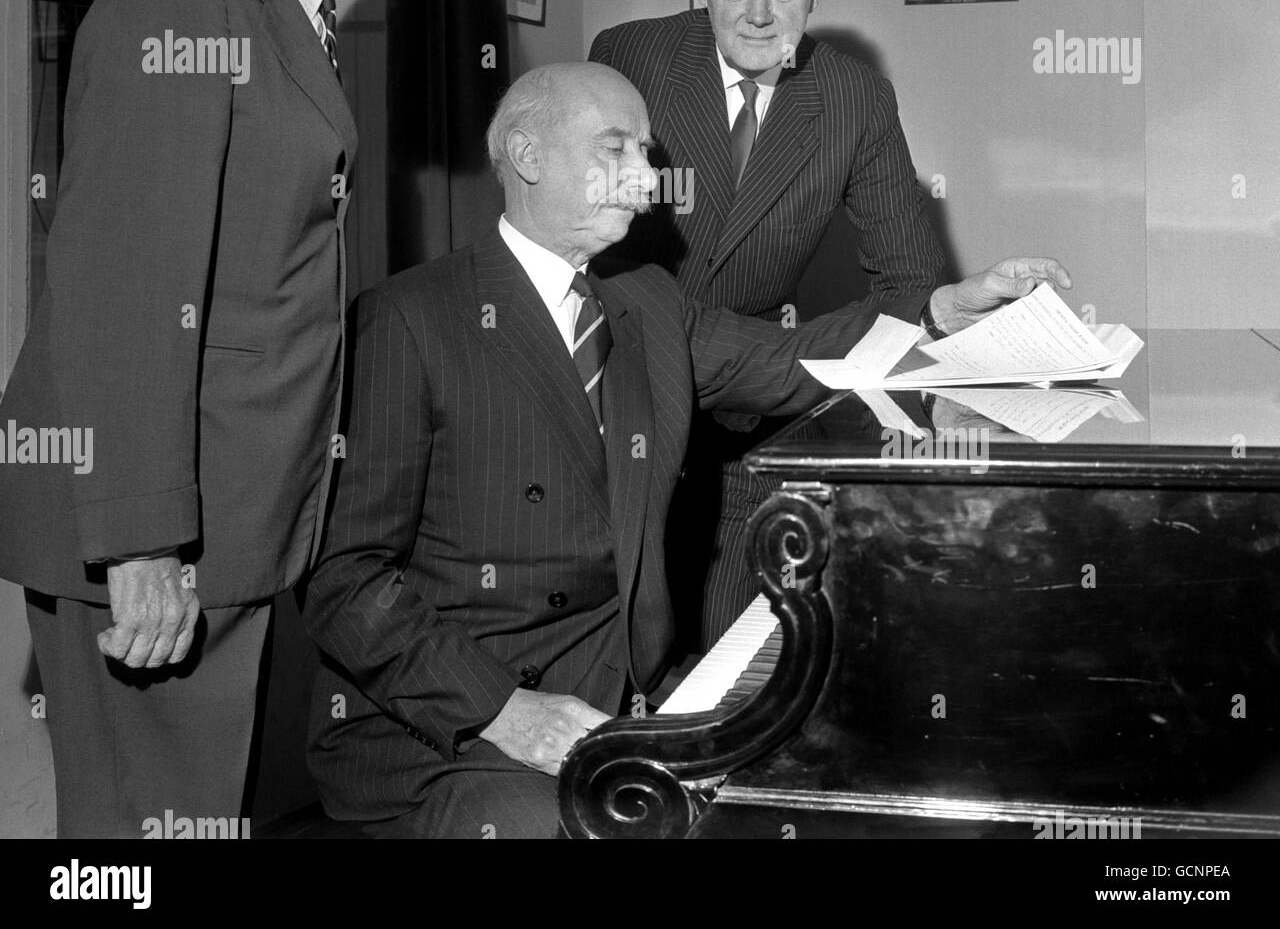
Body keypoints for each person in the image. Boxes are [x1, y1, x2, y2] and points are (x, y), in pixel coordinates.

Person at [301, 61, 1069, 839]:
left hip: (627, 706)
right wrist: (505, 711)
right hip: (453, 735)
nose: (646, 181)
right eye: (617, 151)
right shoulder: (410, 319)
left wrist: (939, 315)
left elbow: (795, 362)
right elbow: (343, 576)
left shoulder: (646, 301)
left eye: (647, 154)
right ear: (529, 158)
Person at [0, 0, 435, 837]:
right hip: (156, 537)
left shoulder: (277, 5)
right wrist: (141, 544)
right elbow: (120, 289)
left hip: (229, 522)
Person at [591, 0, 1031, 651]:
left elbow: (908, 282)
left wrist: (931, 388)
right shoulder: (628, 58)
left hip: (750, 418)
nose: (759, 12)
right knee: (621, 659)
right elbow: (589, 258)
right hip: (621, 403)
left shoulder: (855, 98)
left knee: (739, 664)